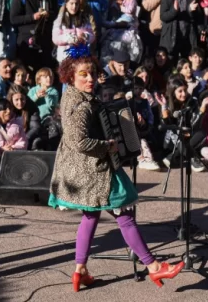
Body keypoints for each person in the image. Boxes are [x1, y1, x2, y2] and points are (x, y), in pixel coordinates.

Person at [48, 44, 184, 291]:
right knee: (125, 215)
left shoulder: (71, 96)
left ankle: (80, 270)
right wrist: (109, 145)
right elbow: (80, 142)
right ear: (70, 76)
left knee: (91, 216)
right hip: (94, 171)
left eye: (91, 73)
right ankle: (153, 267)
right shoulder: (83, 106)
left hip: (79, 169)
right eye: (83, 75)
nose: (90, 79)